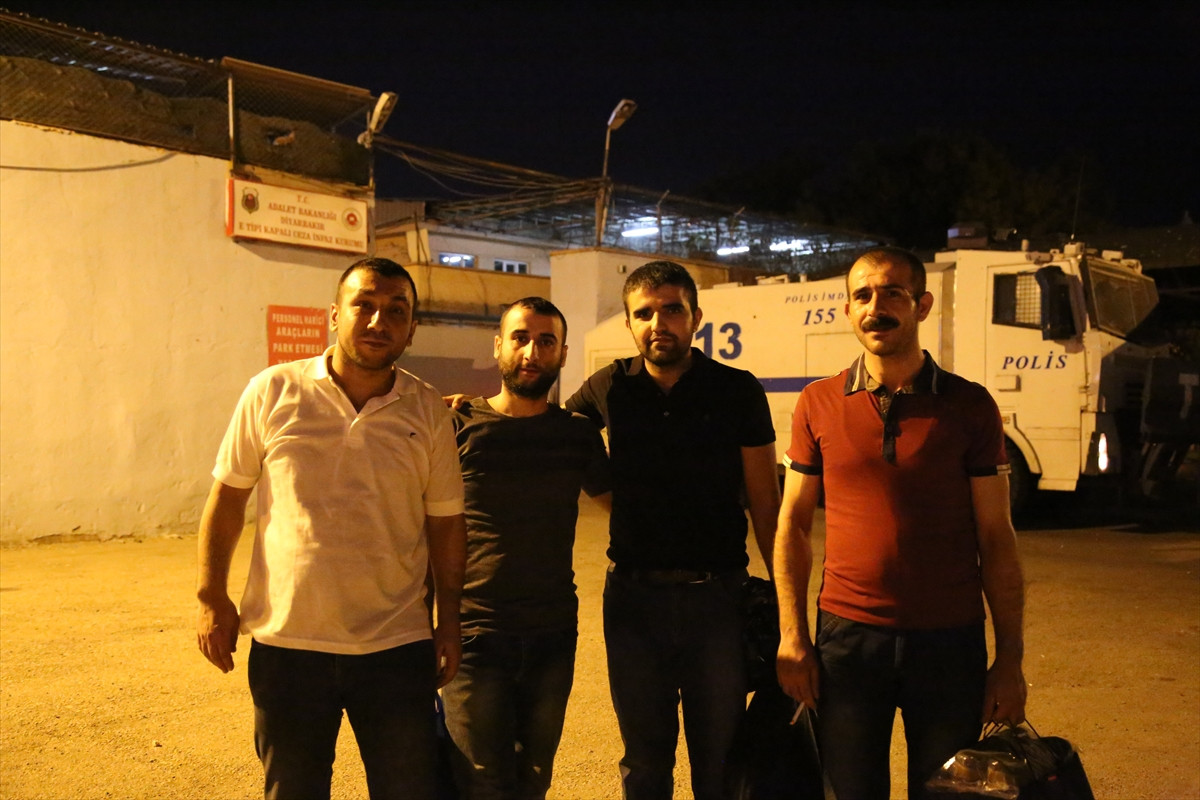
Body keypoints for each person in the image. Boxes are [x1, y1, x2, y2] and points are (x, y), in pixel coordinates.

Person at [195, 257, 467, 800]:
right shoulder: (273, 391)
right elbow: (227, 499)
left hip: (396, 645)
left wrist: (449, 621)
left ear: (412, 328)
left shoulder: (427, 411)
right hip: (288, 644)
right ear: (335, 314)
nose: (378, 321)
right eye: (363, 305)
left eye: (396, 311)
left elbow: (446, 525)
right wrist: (210, 595)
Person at [773, 246, 1027, 799]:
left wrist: (1009, 658)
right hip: (846, 641)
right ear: (848, 310)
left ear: (922, 305)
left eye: (892, 293)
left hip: (948, 643)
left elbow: (996, 537)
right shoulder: (817, 402)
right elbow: (792, 525)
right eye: (862, 295)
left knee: (947, 794)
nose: (876, 307)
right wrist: (793, 635)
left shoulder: (970, 405)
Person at [564, 261, 781, 800]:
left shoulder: (736, 390)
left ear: (695, 317)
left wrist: (788, 601)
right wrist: (476, 410)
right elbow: (559, 434)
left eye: (671, 310)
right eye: (644, 313)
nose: (658, 323)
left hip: (719, 602)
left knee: (719, 761)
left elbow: (766, 503)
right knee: (644, 762)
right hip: (633, 603)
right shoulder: (610, 386)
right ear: (629, 323)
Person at [441, 297, 610, 800]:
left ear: (562, 354)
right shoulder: (456, 426)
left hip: (552, 634)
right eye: (520, 338)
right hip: (475, 633)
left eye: (545, 341)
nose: (531, 352)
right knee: (481, 783)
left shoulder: (575, 435)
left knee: (533, 780)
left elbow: (623, 506)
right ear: (499, 346)